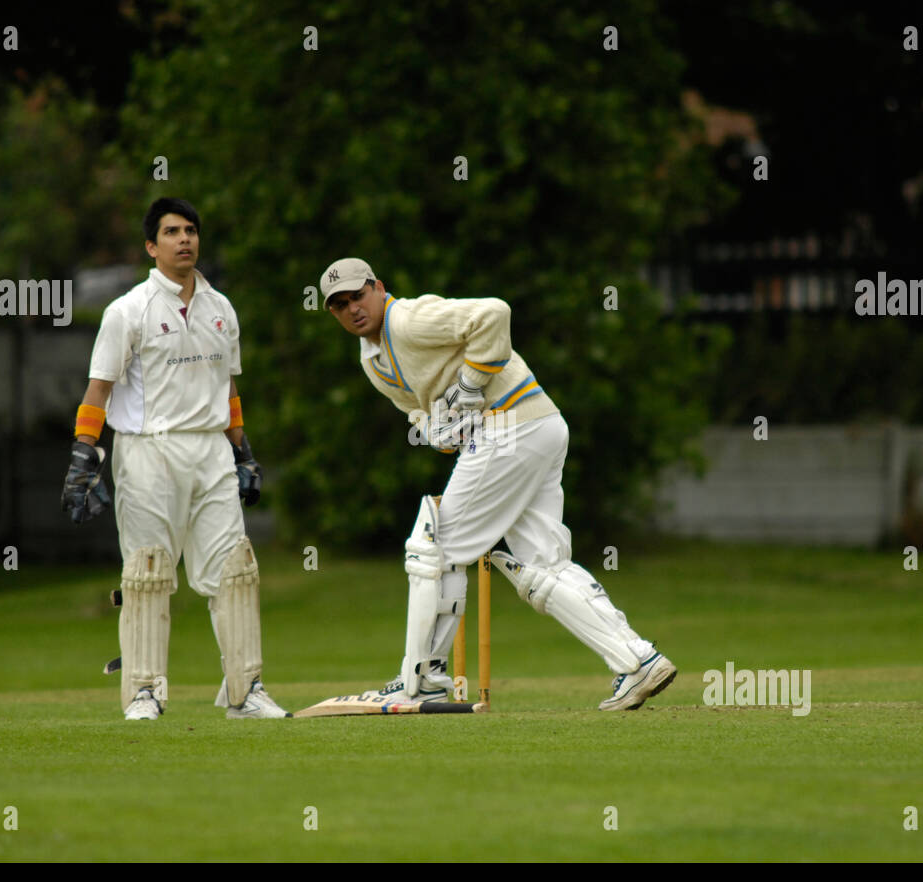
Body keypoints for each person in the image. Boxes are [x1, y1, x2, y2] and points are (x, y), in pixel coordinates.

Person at [320, 257, 675, 711]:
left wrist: (470, 385)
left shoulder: (406, 320)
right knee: (543, 564)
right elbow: (418, 408)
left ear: (379, 287)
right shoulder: (372, 361)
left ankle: (423, 675)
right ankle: (638, 659)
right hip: (538, 424)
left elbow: (494, 314)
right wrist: (436, 428)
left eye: (358, 295)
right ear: (332, 312)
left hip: (508, 424)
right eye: (340, 304)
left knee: (435, 547)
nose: (353, 309)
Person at [60, 197, 288, 720]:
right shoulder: (128, 311)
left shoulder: (221, 309)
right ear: (151, 245)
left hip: (211, 449)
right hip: (148, 449)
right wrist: (82, 459)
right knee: (147, 571)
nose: (184, 239)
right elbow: (99, 390)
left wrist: (242, 452)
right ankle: (144, 692)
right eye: (171, 232)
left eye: (190, 230)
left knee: (235, 568)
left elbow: (227, 389)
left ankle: (245, 690)